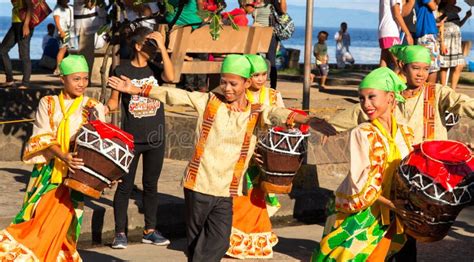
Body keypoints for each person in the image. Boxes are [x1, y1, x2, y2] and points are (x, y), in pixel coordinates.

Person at [108, 54, 337, 261]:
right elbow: (174, 94)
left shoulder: (255, 111)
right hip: (199, 186)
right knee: (197, 245)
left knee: (219, 242)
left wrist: (307, 120)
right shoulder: (209, 102)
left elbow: (276, 113)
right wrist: (136, 90)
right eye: (224, 82)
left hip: (227, 190)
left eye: (233, 83)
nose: (227, 88)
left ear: (246, 83)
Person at [0, 55, 105, 261]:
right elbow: (42, 136)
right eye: (76, 79)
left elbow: (100, 143)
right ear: (62, 79)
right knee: (36, 221)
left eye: (85, 79)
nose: (82, 84)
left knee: (63, 226)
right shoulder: (48, 103)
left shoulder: (93, 107)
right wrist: (63, 155)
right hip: (48, 174)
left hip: (76, 176)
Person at [312, 67, 414, 261]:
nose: (366, 104)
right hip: (363, 212)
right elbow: (362, 182)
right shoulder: (363, 132)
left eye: (371, 97)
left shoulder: (405, 133)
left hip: (393, 212)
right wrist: (394, 205)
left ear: (390, 98)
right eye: (361, 98)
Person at [106, 27, 174, 249]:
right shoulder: (122, 69)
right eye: (149, 43)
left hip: (156, 137)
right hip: (131, 138)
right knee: (125, 186)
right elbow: (115, 102)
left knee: (150, 185)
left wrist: (163, 47)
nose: (153, 48)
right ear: (137, 46)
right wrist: (102, 108)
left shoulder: (157, 69)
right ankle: (119, 233)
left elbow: (172, 78)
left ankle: (150, 230)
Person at [328, 45, 474, 145]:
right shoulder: (388, 98)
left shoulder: (437, 92)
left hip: (434, 168)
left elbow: (463, 103)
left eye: (426, 69)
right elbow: (355, 114)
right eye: (416, 68)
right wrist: (322, 126)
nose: (421, 74)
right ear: (402, 65)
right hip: (398, 167)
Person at [226, 54, 283, 259]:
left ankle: (255, 243)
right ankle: (234, 243)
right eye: (255, 75)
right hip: (241, 153)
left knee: (258, 197)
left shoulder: (274, 96)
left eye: (264, 74)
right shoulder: (238, 95)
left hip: (266, 154)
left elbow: (281, 122)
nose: (260, 79)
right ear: (247, 78)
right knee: (240, 197)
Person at [166, 0, 207, 92]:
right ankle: (201, 84)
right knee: (200, 53)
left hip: (173, 23)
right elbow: (200, 2)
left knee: (189, 53)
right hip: (192, 22)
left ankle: (189, 85)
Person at [253, 0, 287, 89]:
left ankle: (273, 88)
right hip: (256, 34)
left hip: (270, 35)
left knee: (271, 61)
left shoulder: (272, 2)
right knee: (254, 60)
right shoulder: (256, 2)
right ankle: (255, 85)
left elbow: (283, 11)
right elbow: (246, 9)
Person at [438, 0, 472, 90]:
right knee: (444, 65)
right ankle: (443, 89)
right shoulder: (442, 9)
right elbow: (439, 24)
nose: (456, 1)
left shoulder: (455, 10)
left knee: (459, 65)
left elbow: (458, 25)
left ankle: (452, 90)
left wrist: (466, 17)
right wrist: (442, 42)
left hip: (456, 39)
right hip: (446, 38)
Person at [0, 0, 33, 89]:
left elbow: (30, 6)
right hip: (15, 24)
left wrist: (26, 25)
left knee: (24, 55)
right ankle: (9, 80)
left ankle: (25, 83)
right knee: (2, 50)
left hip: (23, 24)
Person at [379, 0, 414, 72]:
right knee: (399, 63)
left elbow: (400, 12)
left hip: (384, 31)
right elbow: (397, 14)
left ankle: (382, 82)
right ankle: (395, 82)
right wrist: (407, 33)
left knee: (385, 61)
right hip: (391, 32)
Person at [74, 0, 105, 78]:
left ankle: (85, 78)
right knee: (85, 56)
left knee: (87, 56)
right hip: (85, 27)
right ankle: (84, 78)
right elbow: (90, 5)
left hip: (89, 27)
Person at [414, 0, 440, 84]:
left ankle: (426, 94)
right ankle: (429, 95)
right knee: (432, 67)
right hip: (427, 34)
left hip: (424, 34)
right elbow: (433, 6)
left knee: (425, 65)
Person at [53, 0, 75, 76]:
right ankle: (58, 68)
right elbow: (56, 20)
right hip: (63, 32)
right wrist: (61, 31)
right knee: (62, 49)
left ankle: (68, 68)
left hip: (70, 32)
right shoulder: (58, 8)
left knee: (70, 49)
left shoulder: (70, 7)